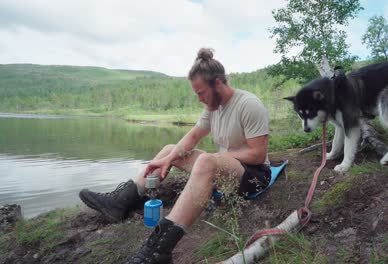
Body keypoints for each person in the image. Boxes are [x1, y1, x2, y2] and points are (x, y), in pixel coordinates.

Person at [79, 48, 271, 264]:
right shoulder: (213, 107)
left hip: (254, 176)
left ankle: (158, 250)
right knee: (171, 149)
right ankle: (120, 201)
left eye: (201, 93)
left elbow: (257, 154)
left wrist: (217, 159)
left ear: (218, 84)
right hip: (226, 167)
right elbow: (193, 136)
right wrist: (169, 158)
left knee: (206, 160)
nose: (199, 99)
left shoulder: (249, 104)